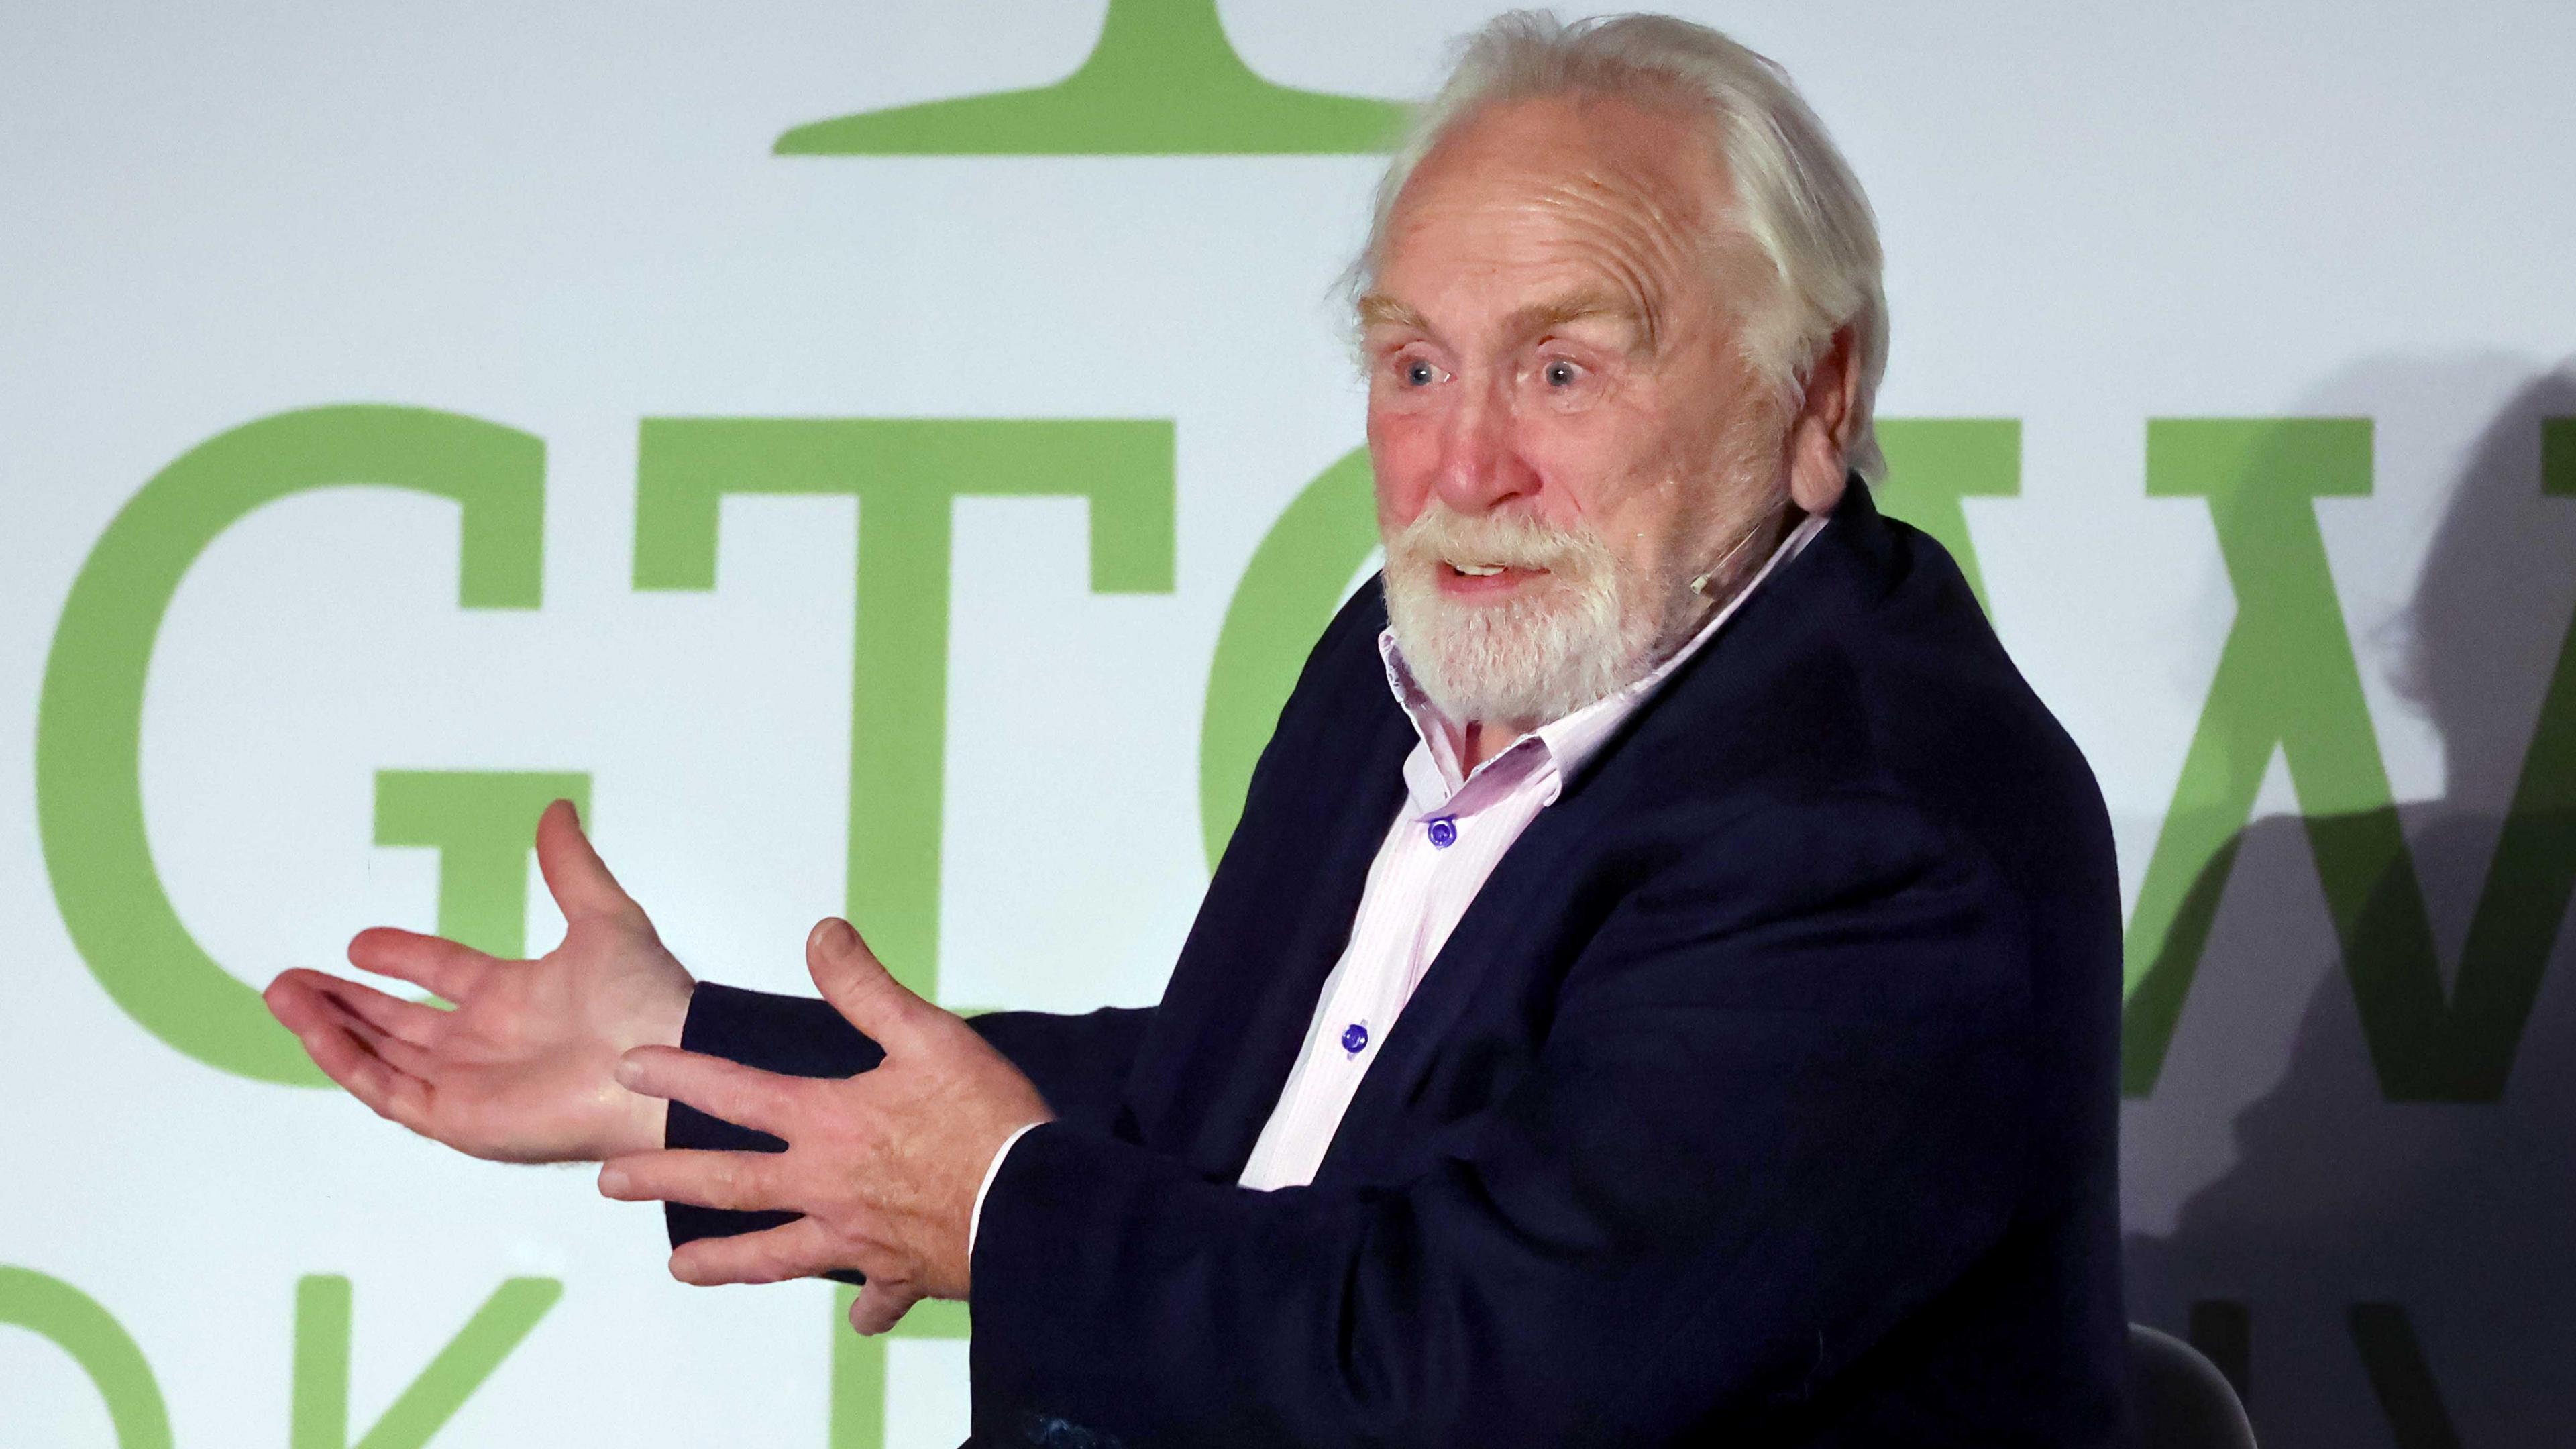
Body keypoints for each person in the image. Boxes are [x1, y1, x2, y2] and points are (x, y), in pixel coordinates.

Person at [266, 13, 2125, 1445]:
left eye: (1562, 366)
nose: (1464, 464)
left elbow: (1480, 1374)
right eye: (1414, 366)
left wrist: (999, 1210)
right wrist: (672, 1060)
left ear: (1817, 396)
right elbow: (1258, 1106)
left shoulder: (1877, 835)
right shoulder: (1411, 664)